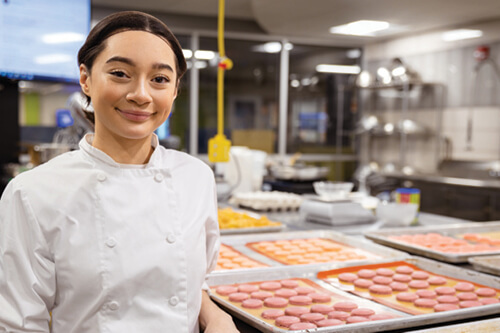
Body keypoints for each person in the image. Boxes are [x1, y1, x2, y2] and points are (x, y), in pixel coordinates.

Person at [0, 11, 239, 333]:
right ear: (85, 78)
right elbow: (19, 323)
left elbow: (192, 282)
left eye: (159, 79)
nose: (141, 94)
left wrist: (215, 317)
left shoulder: (196, 177)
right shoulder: (32, 192)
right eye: (120, 73)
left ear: (175, 89)